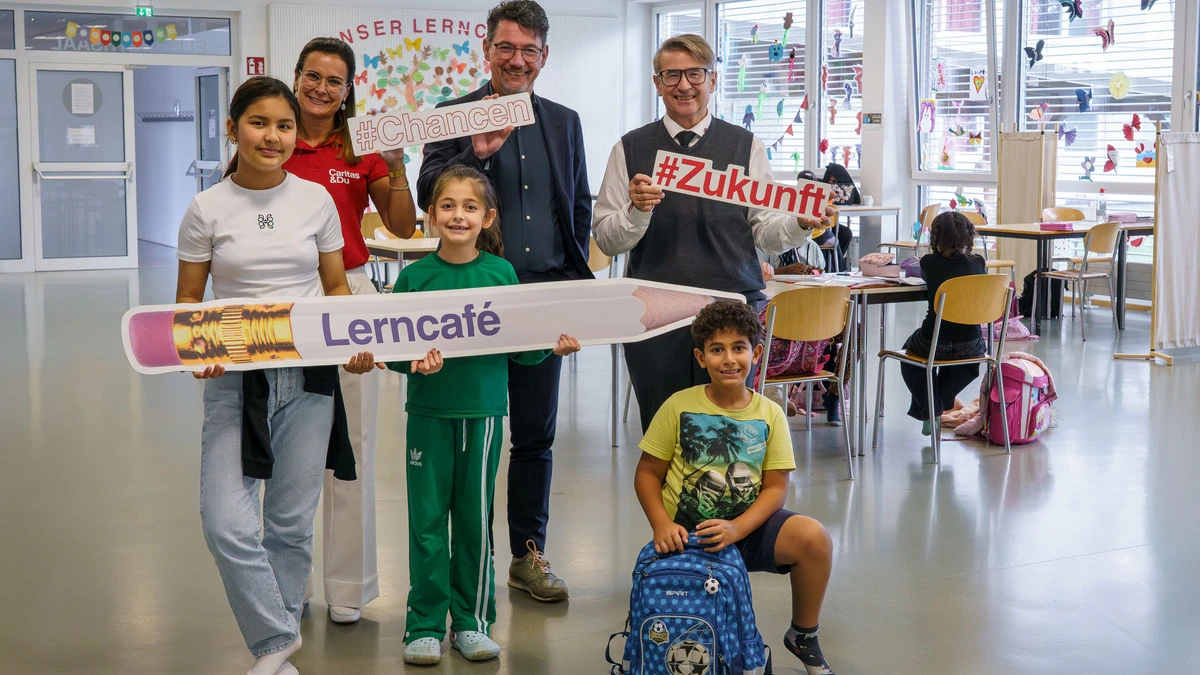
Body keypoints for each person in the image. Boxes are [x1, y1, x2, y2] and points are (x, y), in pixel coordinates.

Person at [175, 76, 392, 674]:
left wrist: (354, 340)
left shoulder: (314, 200)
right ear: (233, 128)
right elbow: (189, 302)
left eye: (285, 126)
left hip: (309, 375)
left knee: (291, 523)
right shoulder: (206, 208)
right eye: (260, 123)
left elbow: (335, 287)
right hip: (236, 380)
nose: (273, 136)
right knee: (226, 521)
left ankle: (276, 652)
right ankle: (276, 638)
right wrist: (201, 349)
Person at [416, 0, 592, 603]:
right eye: (506, 47)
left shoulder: (565, 122)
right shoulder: (452, 116)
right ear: (486, 49)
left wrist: (574, 283)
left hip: (544, 297)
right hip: (472, 299)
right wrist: (478, 154)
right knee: (470, 429)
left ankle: (526, 553)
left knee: (535, 435)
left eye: (529, 50)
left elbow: (577, 210)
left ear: (544, 57)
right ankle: (467, 561)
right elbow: (428, 193)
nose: (517, 60)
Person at [392, 165, 581, 665]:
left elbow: (520, 349)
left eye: (469, 206)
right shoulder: (413, 279)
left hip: (484, 415)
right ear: (430, 216)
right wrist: (411, 364)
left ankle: (473, 621)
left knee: (474, 521)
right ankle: (425, 625)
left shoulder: (501, 275)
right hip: (427, 415)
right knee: (427, 523)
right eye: (447, 206)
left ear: (488, 217)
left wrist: (551, 349)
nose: (458, 215)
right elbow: (392, 350)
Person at [594, 33, 830, 433]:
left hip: (734, 308)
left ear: (713, 80)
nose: (684, 85)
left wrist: (799, 223)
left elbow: (767, 232)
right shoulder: (629, 148)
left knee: (733, 436)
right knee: (664, 433)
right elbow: (606, 239)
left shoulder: (746, 145)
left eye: (695, 74)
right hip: (655, 314)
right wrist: (637, 209)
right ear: (657, 83)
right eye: (671, 75)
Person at [284, 36, 418, 625]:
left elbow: (402, 224)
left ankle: (347, 588)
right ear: (296, 78)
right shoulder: (273, 136)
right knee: (287, 446)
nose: (321, 89)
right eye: (312, 76)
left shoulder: (361, 145)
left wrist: (394, 165)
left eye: (334, 81)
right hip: (282, 300)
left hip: (350, 295)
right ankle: (289, 585)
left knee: (353, 448)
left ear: (348, 90)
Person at [633, 300, 837, 675]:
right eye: (716, 350)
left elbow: (776, 488)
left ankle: (803, 636)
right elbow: (646, 473)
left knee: (815, 539)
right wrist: (662, 524)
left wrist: (739, 528)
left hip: (749, 529)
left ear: (756, 353)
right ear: (700, 357)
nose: (729, 359)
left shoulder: (769, 412)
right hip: (688, 538)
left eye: (738, 348)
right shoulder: (678, 406)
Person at [899, 211, 987, 436]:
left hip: (933, 339)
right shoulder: (979, 263)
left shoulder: (928, 262)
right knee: (965, 365)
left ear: (935, 238)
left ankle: (931, 409)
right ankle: (939, 405)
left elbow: (930, 278)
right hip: (971, 343)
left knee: (909, 357)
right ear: (969, 237)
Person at [804, 167, 855, 272]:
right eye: (830, 181)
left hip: (820, 228)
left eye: (835, 182)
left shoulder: (824, 191)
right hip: (818, 231)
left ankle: (834, 265)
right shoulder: (820, 192)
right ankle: (839, 267)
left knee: (844, 233)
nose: (832, 184)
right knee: (834, 237)